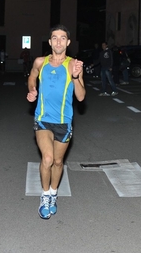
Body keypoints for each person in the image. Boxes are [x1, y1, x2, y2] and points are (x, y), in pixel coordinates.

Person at [26, 24, 86, 219]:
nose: (58, 41)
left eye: (62, 38)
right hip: (43, 119)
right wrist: (32, 89)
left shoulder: (73, 65)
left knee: (58, 162)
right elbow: (32, 77)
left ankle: (53, 193)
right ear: (50, 41)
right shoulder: (39, 62)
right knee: (48, 159)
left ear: (68, 42)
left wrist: (76, 77)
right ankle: (44, 197)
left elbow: (81, 97)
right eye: (55, 37)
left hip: (64, 122)